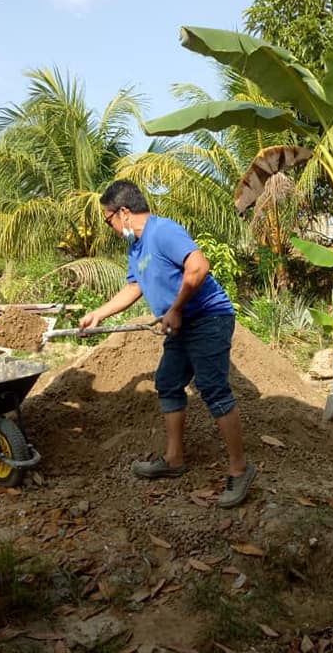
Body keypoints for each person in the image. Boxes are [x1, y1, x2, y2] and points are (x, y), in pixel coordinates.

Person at [79, 180, 255, 508]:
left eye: (109, 220)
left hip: (208, 318)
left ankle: (240, 469)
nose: (112, 228)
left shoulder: (164, 232)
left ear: (124, 213)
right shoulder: (136, 248)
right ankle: (174, 460)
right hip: (181, 324)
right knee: (169, 384)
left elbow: (199, 267)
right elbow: (134, 288)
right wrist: (98, 314)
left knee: (213, 390)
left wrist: (174, 309)